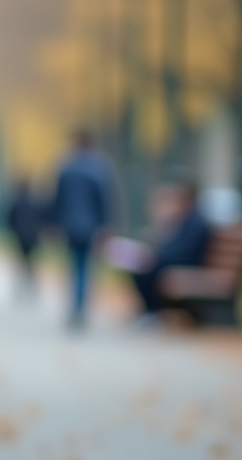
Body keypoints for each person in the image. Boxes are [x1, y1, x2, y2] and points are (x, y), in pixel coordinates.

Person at [50, 130, 113, 327]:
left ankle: (76, 307)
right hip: (91, 225)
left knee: (74, 265)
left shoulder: (65, 168)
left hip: (69, 225)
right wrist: (105, 225)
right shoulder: (99, 168)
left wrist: (56, 224)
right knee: (85, 266)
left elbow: (57, 200)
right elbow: (104, 200)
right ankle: (80, 307)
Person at [128, 182, 211, 317]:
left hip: (189, 263)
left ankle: (153, 311)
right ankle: (150, 310)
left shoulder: (197, 221)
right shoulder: (185, 218)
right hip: (178, 260)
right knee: (142, 267)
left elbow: (185, 249)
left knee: (151, 269)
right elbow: (172, 243)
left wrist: (159, 257)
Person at [5, 176, 43, 297]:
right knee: (31, 263)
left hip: (20, 237)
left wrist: (14, 231)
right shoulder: (34, 202)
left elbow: (10, 220)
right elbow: (40, 219)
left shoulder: (16, 203)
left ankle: (20, 288)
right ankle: (32, 288)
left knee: (21, 262)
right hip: (32, 237)